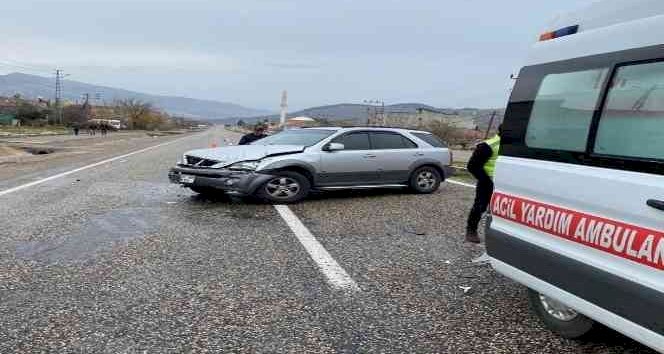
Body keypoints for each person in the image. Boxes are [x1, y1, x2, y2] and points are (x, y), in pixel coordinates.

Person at [465, 124, 502, 243]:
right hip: (487, 183)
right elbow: (472, 166)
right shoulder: (488, 145)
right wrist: (487, 181)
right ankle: (471, 231)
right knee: (480, 206)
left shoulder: (514, 147)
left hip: (506, 185)